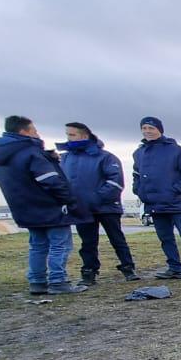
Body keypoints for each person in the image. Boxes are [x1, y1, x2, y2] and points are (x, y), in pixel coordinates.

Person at [0, 115, 89, 295]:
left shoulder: (2, 155)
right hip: (50, 207)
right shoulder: (30, 152)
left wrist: (49, 158)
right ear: (24, 131)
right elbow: (50, 181)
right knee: (59, 245)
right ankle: (58, 281)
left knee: (38, 245)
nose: (37, 134)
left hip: (25, 208)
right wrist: (69, 199)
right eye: (34, 130)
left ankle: (37, 282)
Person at [58, 122, 139, 285]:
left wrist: (94, 199)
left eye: (72, 134)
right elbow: (61, 182)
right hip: (81, 209)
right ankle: (89, 272)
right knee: (88, 242)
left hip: (107, 207)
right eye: (67, 134)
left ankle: (128, 268)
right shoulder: (65, 159)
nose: (68, 138)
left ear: (84, 136)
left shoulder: (106, 157)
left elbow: (115, 182)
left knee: (117, 239)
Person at [132, 117, 181, 278]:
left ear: (160, 130)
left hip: (177, 204)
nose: (147, 131)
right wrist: (139, 191)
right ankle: (174, 268)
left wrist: (174, 191)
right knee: (165, 238)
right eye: (144, 128)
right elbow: (136, 176)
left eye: (151, 128)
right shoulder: (138, 153)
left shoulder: (178, 150)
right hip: (155, 204)